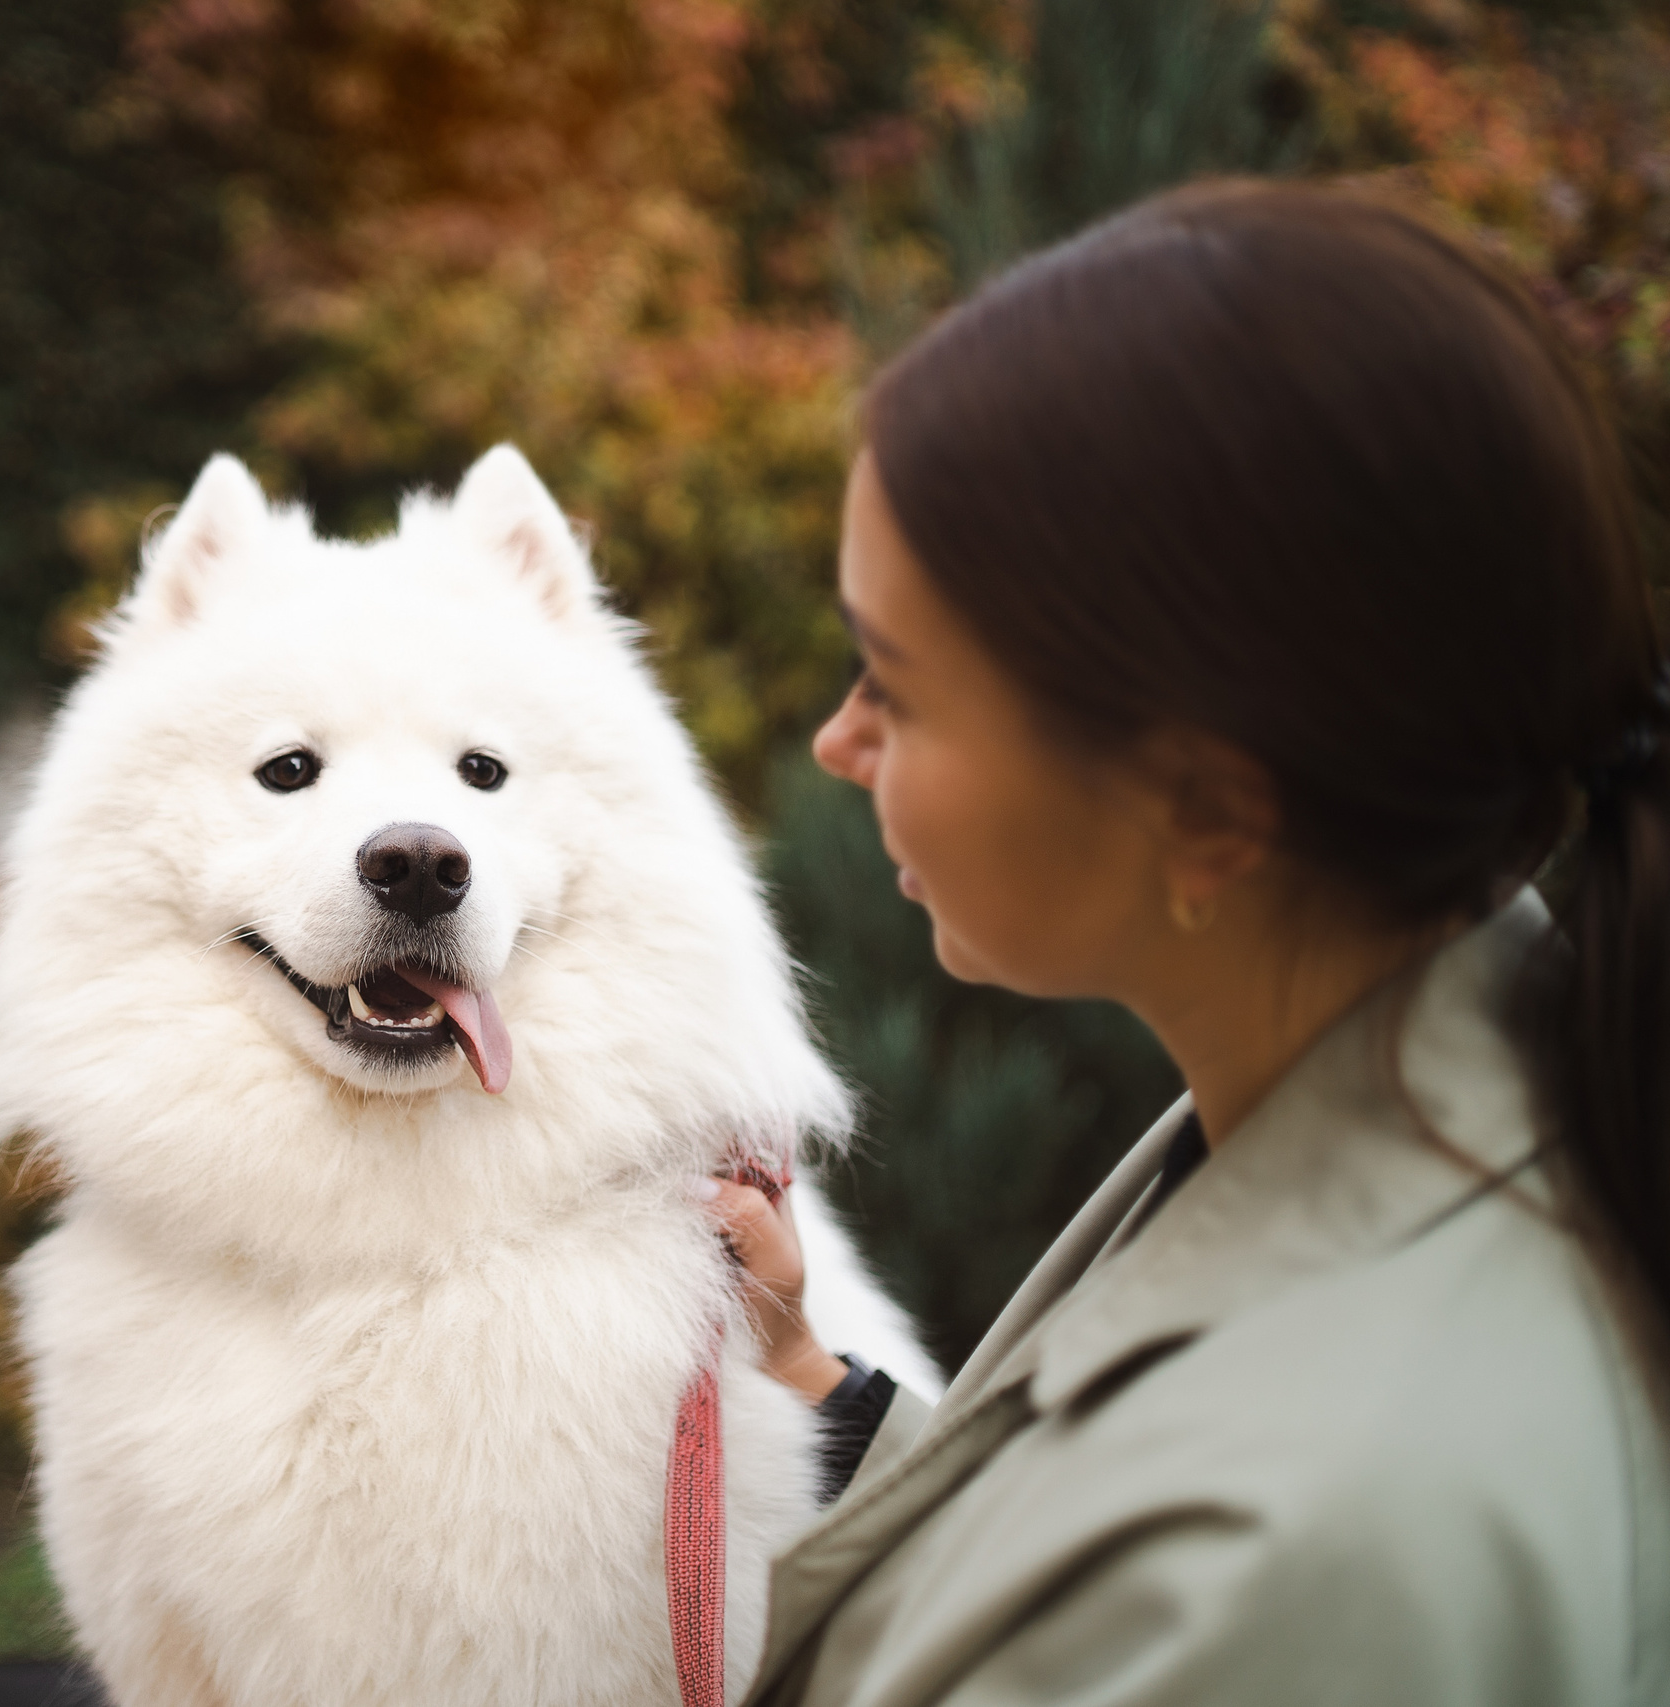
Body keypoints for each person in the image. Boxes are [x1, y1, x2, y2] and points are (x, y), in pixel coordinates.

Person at [699, 178, 1670, 1706]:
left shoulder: (1291, 1553)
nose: (837, 741)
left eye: (896, 680)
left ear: (1210, 812)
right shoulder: (1438, 1077)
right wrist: (812, 1385)